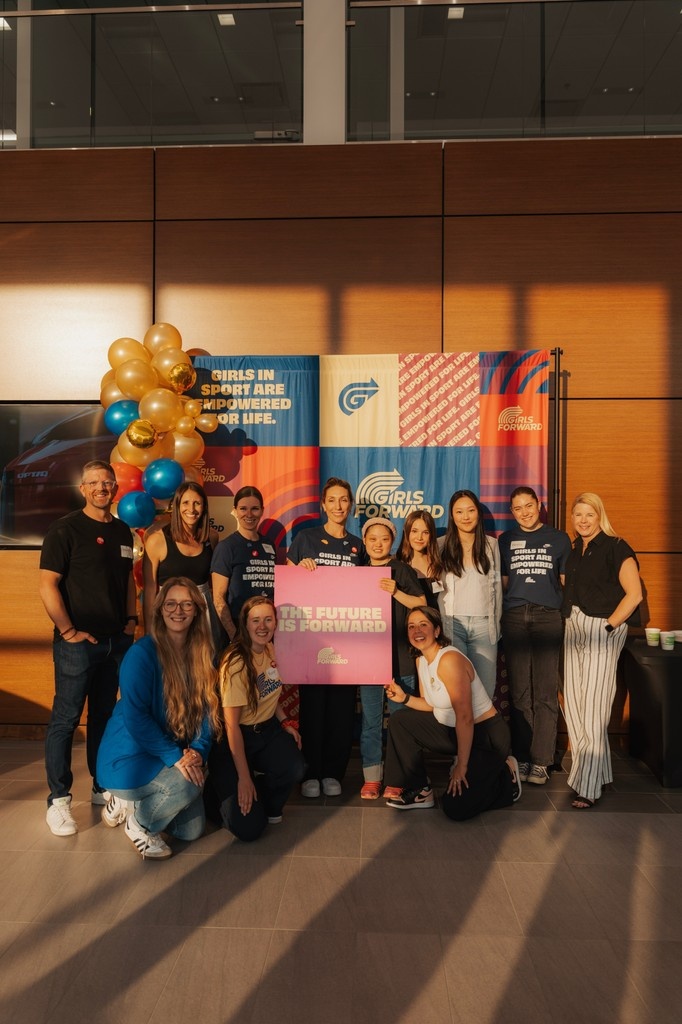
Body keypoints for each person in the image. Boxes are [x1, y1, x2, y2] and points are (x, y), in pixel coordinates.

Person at [39, 460, 137, 837]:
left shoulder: (124, 531)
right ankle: (58, 801)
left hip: (115, 643)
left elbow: (128, 579)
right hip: (76, 645)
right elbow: (48, 585)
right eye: (94, 482)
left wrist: (130, 621)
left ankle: (101, 785)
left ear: (115, 487)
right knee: (65, 720)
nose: (102, 488)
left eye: (108, 482)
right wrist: (67, 631)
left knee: (103, 717)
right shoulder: (65, 530)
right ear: (83, 488)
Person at [96, 577, 220, 859]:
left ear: (198, 611)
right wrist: (176, 757)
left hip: (170, 753)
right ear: (160, 609)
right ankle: (138, 825)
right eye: (171, 603)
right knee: (188, 785)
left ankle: (132, 802)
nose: (179, 610)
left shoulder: (203, 653)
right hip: (129, 757)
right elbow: (136, 717)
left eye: (187, 604)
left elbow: (207, 712)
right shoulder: (141, 654)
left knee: (191, 831)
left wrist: (198, 752)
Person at [384, 607, 520, 819]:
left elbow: (465, 717)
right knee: (401, 720)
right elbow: (432, 704)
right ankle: (420, 791)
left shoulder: (449, 661)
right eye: (411, 626)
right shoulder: (421, 660)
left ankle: (504, 774)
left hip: (486, 736)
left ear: (437, 630)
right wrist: (405, 699)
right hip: (453, 731)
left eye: (423, 625)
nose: (417, 630)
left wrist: (461, 766)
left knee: (456, 808)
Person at [562, 493, 642, 809]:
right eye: (578, 514)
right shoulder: (575, 550)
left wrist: (608, 626)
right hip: (573, 626)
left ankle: (589, 786)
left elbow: (633, 595)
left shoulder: (616, 546)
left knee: (593, 708)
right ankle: (600, 773)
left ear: (600, 516)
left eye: (589, 515)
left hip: (601, 628)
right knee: (576, 705)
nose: (583, 520)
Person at [204, 597, 305, 840]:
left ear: (275, 623)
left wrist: (285, 722)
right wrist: (244, 779)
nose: (263, 626)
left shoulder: (270, 649)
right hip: (235, 738)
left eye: (268, 620)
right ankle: (213, 794)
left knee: (296, 767)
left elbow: (271, 693)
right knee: (249, 830)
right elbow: (231, 726)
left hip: (267, 730)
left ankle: (264, 805)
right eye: (255, 620)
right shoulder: (236, 663)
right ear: (245, 625)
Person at [287, 476, 363, 798]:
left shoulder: (358, 546)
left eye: (343, 500)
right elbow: (288, 588)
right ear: (323, 504)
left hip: (346, 641)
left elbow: (365, 593)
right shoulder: (305, 539)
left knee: (342, 711)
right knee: (314, 709)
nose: (338, 506)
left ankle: (333, 772)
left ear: (351, 505)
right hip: (311, 641)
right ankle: (311, 772)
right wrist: (299, 571)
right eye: (332, 500)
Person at [498, 486, 572, 786]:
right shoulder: (506, 541)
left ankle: (542, 761)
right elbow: (503, 583)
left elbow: (566, 582)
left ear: (539, 506)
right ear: (511, 512)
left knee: (544, 690)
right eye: (518, 508)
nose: (525, 512)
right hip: (514, 616)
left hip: (547, 617)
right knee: (520, 693)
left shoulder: (558, 539)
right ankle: (524, 757)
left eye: (529, 506)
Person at [359, 516, 426, 799]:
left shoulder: (402, 570)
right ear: (364, 542)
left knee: (400, 723)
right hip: (369, 662)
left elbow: (421, 604)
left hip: (402, 659)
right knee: (371, 722)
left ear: (393, 541)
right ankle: (372, 777)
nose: (378, 544)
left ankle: (398, 777)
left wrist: (396, 591)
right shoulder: (357, 573)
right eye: (372, 539)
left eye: (384, 539)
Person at [143, 481, 224, 653]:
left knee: (204, 670)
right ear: (176, 506)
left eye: (197, 503)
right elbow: (150, 590)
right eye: (185, 503)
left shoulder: (212, 537)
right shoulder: (157, 541)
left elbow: (216, 585)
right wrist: (150, 632)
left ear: (204, 507)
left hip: (203, 617)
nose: (191, 509)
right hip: (169, 616)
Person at [437, 489, 502, 699]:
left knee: (484, 692)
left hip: (485, 627)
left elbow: (497, 589)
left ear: (478, 513)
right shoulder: (440, 545)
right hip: (452, 625)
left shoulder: (491, 545)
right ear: (452, 516)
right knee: (457, 693)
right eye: (459, 512)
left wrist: (496, 624)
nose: (466, 517)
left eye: (471, 510)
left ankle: (482, 733)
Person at [211, 485, 277, 643]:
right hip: (239, 630)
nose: (249, 514)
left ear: (262, 510)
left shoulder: (269, 544)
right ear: (235, 511)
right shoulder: (226, 547)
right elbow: (218, 598)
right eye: (243, 509)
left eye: (254, 509)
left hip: (266, 631)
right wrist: (234, 635)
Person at [396, 509, 442, 608]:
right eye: (414, 531)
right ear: (407, 532)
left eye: (425, 532)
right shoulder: (397, 563)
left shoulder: (439, 563)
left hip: (434, 620)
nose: (419, 537)